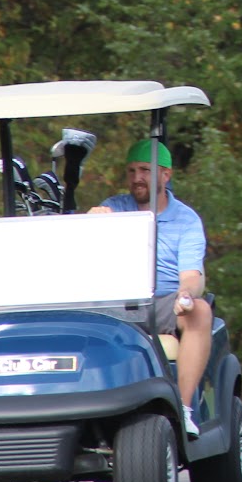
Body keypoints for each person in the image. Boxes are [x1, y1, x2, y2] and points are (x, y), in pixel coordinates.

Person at [88, 138, 211, 436]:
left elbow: (192, 276)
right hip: (119, 301)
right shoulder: (115, 207)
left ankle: (183, 409)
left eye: (145, 170)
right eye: (131, 171)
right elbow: (88, 247)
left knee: (200, 311)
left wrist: (186, 294)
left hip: (164, 300)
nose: (137, 178)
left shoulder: (185, 219)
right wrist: (91, 220)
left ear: (165, 175)